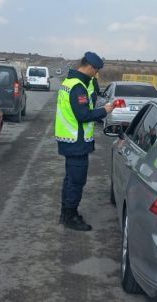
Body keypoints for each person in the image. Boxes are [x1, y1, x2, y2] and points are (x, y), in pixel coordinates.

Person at [56, 52, 114, 231]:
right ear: (89, 67)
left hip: (70, 141)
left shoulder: (69, 82)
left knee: (70, 180)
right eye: (95, 70)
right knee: (76, 181)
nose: (96, 74)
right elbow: (83, 115)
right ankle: (70, 217)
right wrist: (105, 110)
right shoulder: (78, 87)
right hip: (76, 143)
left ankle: (66, 213)